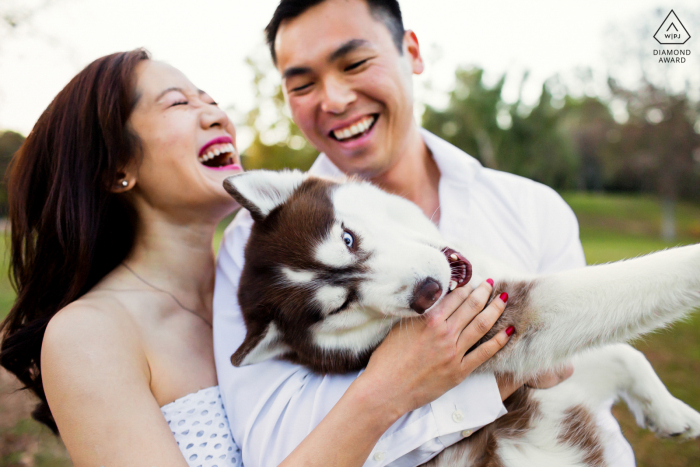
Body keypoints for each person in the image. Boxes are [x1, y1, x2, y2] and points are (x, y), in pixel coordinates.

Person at [0, 49, 518, 467]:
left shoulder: (301, 291)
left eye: (207, 96)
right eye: (179, 103)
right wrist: (382, 394)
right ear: (117, 168)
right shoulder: (89, 335)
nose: (214, 111)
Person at [213, 0, 635, 466]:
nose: (333, 99)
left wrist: (534, 358)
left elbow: (568, 373)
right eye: (303, 84)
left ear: (411, 52)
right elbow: (276, 448)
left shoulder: (531, 206)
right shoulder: (255, 252)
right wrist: (400, 385)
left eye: (354, 63)